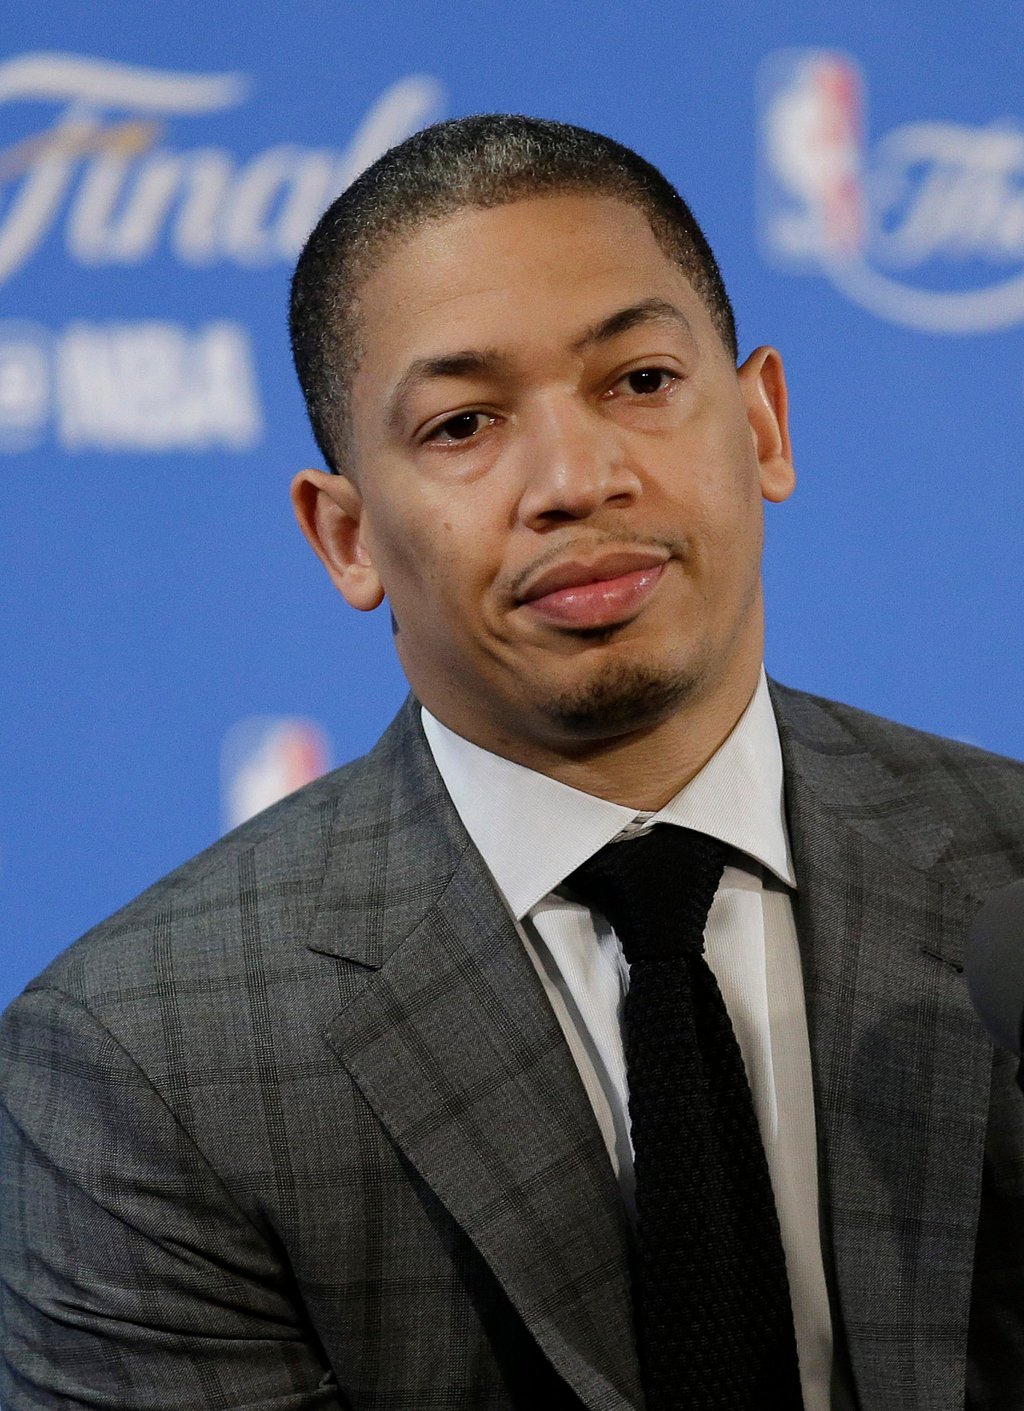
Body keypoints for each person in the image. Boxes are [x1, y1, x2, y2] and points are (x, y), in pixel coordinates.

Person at [1, 114, 1022, 1411]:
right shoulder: (144, 1067)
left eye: (641, 382)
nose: (577, 478)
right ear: (347, 535)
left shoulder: (1008, 879)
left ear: (763, 423)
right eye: (464, 423)